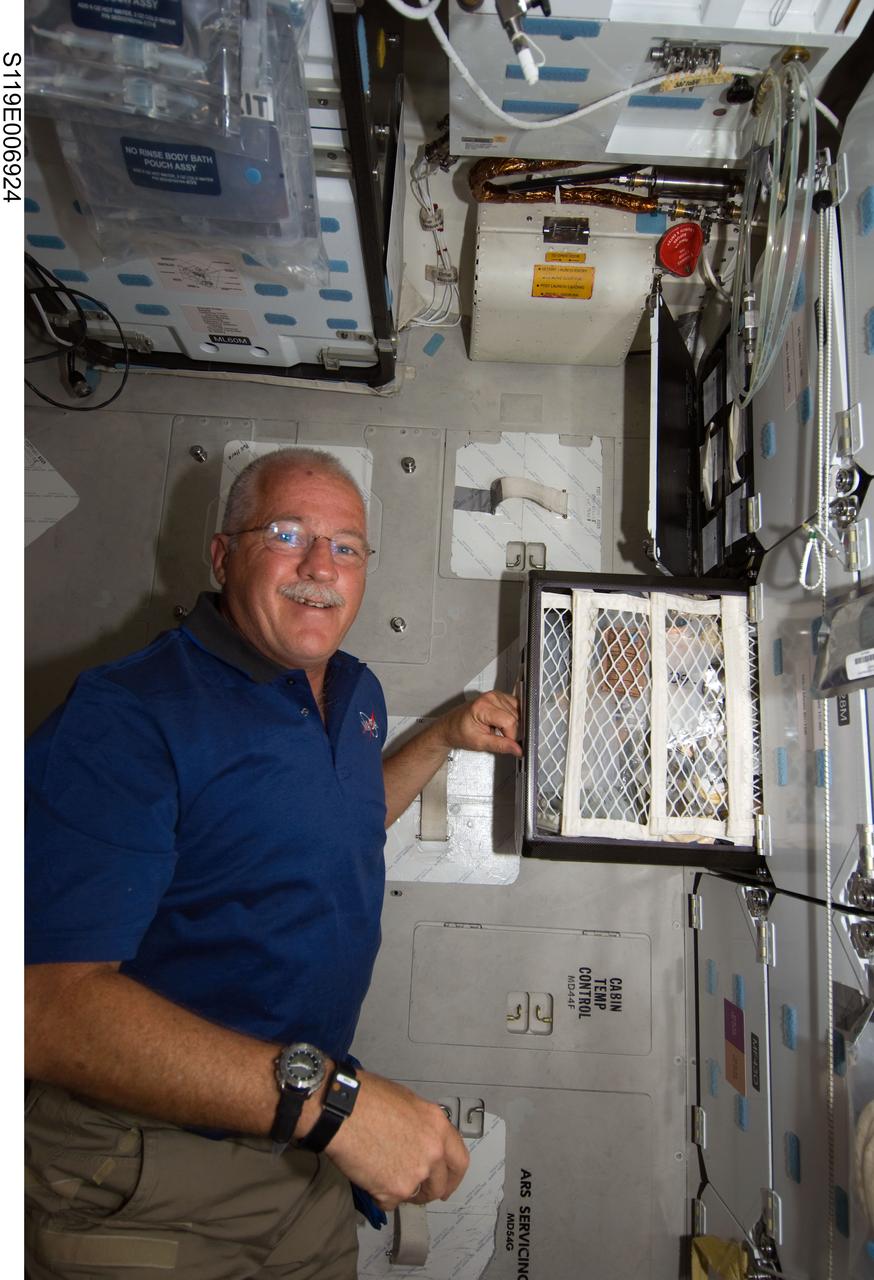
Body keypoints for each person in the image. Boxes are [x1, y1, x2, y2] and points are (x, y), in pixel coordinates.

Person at [25, 446, 522, 1279]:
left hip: (300, 1164)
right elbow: (41, 1007)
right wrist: (330, 1104)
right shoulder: (129, 715)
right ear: (223, 556)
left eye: (347, 546)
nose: (321, 566)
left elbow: (339, 823)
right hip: (141, 1171)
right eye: (287, 534)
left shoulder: (354, 694)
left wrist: (442, 735)